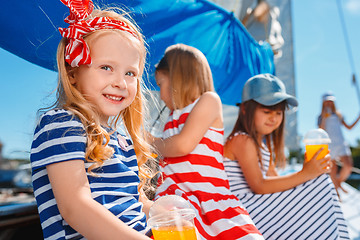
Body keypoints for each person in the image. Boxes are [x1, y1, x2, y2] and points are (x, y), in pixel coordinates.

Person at [30, 0, 154, 239]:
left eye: (130, 73)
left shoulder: (123, 143)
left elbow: (136, 204)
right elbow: (76, 208)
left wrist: (162, 210)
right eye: (106, 67)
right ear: (72, 72)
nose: (120, 82)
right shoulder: (62, 125)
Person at [148, 44, 263, 240]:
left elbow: (182, 145)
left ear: (178, 78)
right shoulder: (171, 119)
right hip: (175, 201)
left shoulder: (209, 101)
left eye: (161, 84)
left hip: (206, 196)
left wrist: (150, 141)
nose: (159, 94)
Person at [223, 74, 349, 239]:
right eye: (267, 111)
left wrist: (311, 169)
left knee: (319, 180)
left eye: (279, 113)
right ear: (245, 109)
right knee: (321, 183)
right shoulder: (242, 139)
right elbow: (259, 185)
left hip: (258, 204)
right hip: (247, 209)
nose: (273, 118)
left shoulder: (262, 146)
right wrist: (306, 174)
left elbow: (275, 180)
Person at [318, 91, 360, 194]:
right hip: (329, 144)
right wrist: (324, 117)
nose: (328, 103)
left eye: (330, 101)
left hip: (341, 143)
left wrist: (358, 117)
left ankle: (339, 183)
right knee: (333, 170)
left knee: (348, 166)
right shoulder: (320, 116)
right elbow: (321, 130)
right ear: (323, 103)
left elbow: (349, 127)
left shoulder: (339, 115)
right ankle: (337, 193)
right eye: (326, 102)